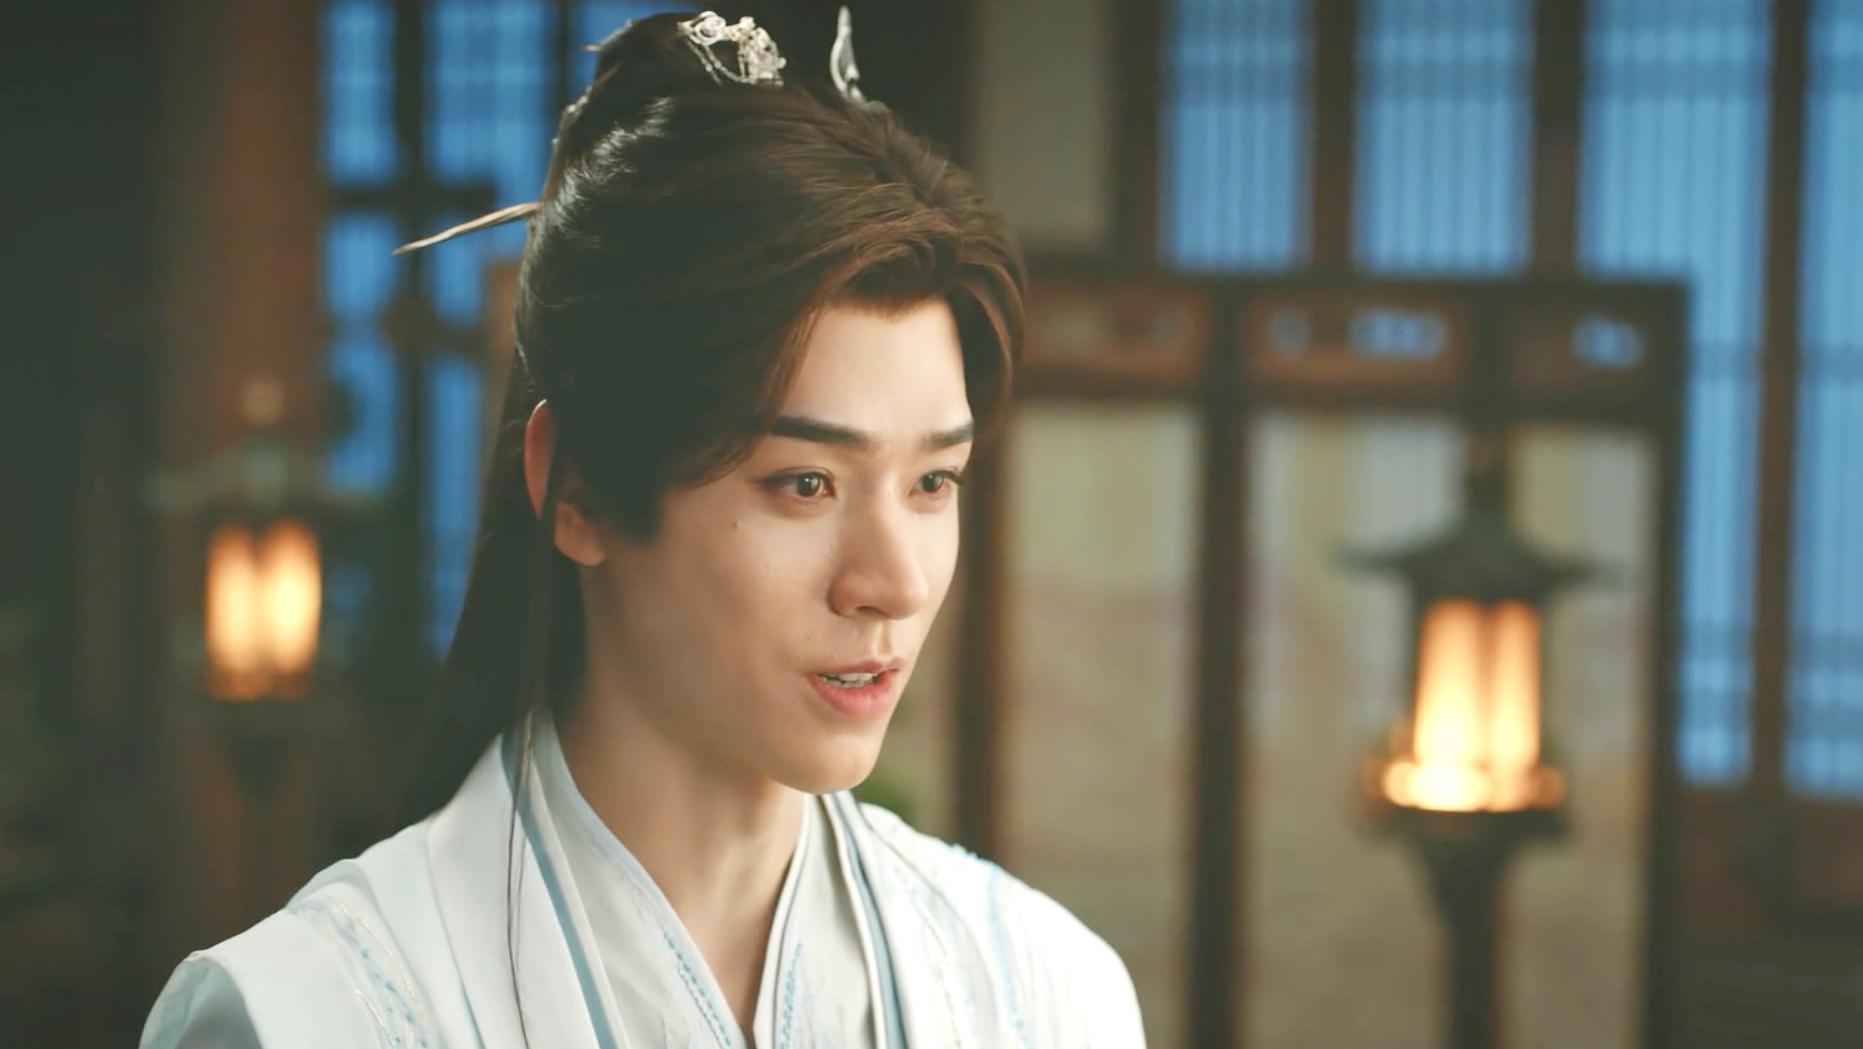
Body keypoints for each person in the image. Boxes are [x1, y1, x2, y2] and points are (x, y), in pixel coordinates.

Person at [141, 9, 1144, 1048]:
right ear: (578, 489)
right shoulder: (307, 1011)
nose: (893, 581)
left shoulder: (1041, 991)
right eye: (805, 483)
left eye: (933, 481)